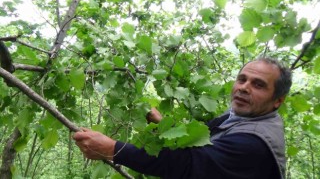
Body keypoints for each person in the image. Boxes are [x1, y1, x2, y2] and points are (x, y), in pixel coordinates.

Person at [73, 57, 292, 179]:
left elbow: (188, 164)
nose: (244, 88)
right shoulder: (240, 115)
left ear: (277, 101)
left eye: (258, 84)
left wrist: (113, 150)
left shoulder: (255, 143)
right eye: (242, 79)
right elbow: (202, 142)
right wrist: (164, 125)